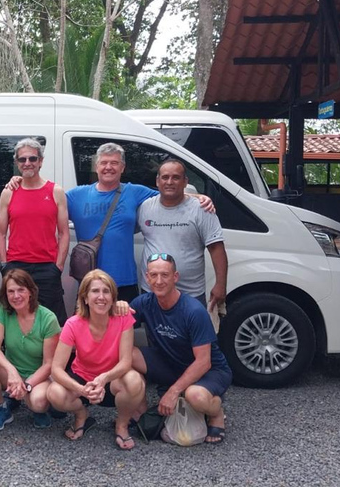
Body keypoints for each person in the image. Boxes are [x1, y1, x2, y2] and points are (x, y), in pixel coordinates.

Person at [65, 142, 213, 302]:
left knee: (126, 327)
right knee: (91, 326)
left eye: (114, 163)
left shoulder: (135, 192)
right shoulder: (75, 196)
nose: (109, 167)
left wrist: (199, 197)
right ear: (96, 166)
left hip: (125, 281)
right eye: (104, 163)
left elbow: (169, 194)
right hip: (90, 281)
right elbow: (46, 214)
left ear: (122, 167)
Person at [131, 253, 232, 444]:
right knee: (126, 354)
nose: (159, 281)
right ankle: (140, 412)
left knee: (196, 396)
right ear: (147, 277)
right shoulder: (143, 303)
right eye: (153, 275)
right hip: (171, 364)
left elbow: (204, 361)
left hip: (209, 370)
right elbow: (116, 327)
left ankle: (216, 412)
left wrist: (173, 391)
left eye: (165, 275)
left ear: (175, 277)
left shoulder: (193, 311)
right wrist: (118, 308)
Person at [47, 270, 145, 449]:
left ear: (113, 296)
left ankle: (121, 425)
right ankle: (82, 415)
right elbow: (56, 369)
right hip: (83, 380)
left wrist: (103, 378)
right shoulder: (73, 324)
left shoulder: (123, 318)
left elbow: (125, 362)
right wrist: (82, 390)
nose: (101, 297)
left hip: (111, 379)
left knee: (134, 380)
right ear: (85, 297)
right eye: (95, 291)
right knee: (54, 392)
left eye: (106, 291)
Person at [0, 137, 70, 324]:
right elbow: (0, 233)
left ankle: (54, 355)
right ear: (17, 163)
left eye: (32, 159)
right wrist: (5, 266)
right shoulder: (9, 192)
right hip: (16, 266)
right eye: (22, 159)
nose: (27, 163)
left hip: (47, 267)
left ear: (41, 161)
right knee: (16, 319)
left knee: (52, 320)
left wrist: (58, 266)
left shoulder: (55, 191)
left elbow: (64, 233)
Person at [0, 269, 61, 431]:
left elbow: (49, 364)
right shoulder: (3, 311)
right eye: (11, 291)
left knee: (38, 403)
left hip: (37, 376)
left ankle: (33, 405)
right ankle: (2, 406)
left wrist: (27, 385)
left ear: (31, 291)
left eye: (21, 290)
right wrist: (11, 371)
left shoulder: (48, 318)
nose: (16, 296)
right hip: (11, 373)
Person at [138, 159, 228, 310]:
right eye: (165, 177)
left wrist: (220, 285)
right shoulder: (145, 207)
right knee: (154, 334)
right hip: (153, 291)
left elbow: (216, 248)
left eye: (176, 177)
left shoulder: (202, 209)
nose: (170, 182)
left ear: (185, 182)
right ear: (157, 181)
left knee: (193, 334)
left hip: (191, 293)